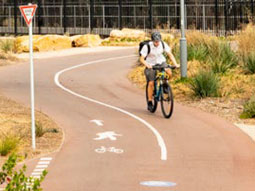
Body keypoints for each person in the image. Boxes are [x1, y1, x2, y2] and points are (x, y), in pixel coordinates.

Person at [139, 31, 180, 111]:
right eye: (155, 41)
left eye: (158, 41)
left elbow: (170, 54)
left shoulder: (163, 44)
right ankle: (150, 102)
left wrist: (175, 64)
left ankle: (165, 85)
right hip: (151, 64)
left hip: (161, 62)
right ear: (152, 40)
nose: (157, 43)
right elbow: (141, 59)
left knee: (169, 73)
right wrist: (147, 65)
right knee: (151, 82)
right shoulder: (147, 46)